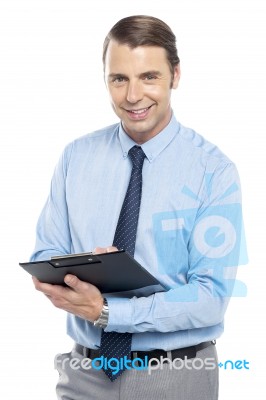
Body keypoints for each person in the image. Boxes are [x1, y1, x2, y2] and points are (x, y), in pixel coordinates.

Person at [31, 15, 245, 400]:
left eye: (149, 77)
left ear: (175, 75)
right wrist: (84, 272)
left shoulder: (214, 171)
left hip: (177, 376)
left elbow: (211, 297)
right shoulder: (75, 158)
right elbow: (47, 254)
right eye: (119, 79)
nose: (133, 96)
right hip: (83, 375)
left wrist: (108, 310)